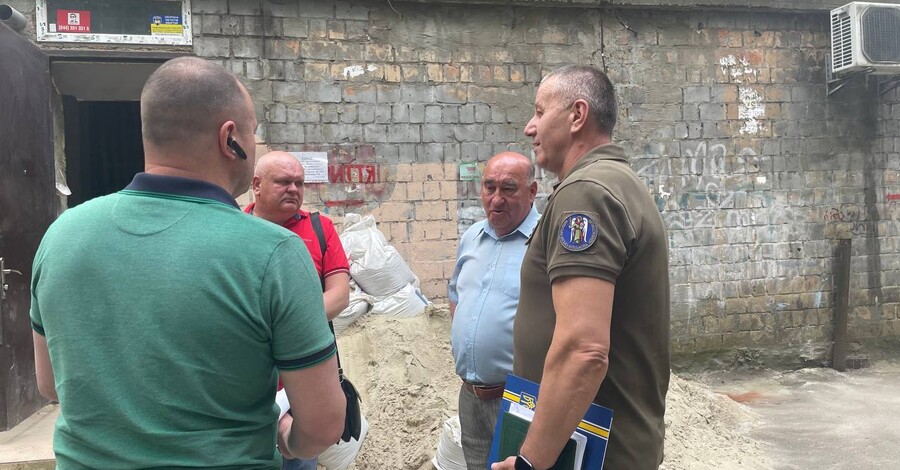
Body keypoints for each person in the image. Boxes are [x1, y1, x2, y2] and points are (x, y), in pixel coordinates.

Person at [30, 56, 345, 469]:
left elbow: (50, 384)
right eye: (253, 133)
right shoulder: (274, 253)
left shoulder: (61, 235)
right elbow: (322, 425)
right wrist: (286, 437)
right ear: (230, 138)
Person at [492, 65, 670, 470]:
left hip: (587, 452)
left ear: (577, 115)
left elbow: (583, 349)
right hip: (585, 442)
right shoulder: (615, 182)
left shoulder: (586, 194)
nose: (530, 127)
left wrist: (530, 462)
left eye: (540, 112)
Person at [246, 151, 351, 470]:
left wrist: (283, 327)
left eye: (299, 183)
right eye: (283, 182)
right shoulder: (234, 229)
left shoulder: (320, 228)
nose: (293, 189)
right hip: (247, 384)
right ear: (256, 185)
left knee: (300, 460)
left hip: (302, 387)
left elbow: (339, 296)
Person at [448, 152, 540, 470]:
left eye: (508, 188)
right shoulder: (472, 237)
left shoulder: (544, 242)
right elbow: (456, 296)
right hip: (470, 396)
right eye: (489, 187)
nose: (496, 199)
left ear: (532, 191)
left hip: (521, 401)